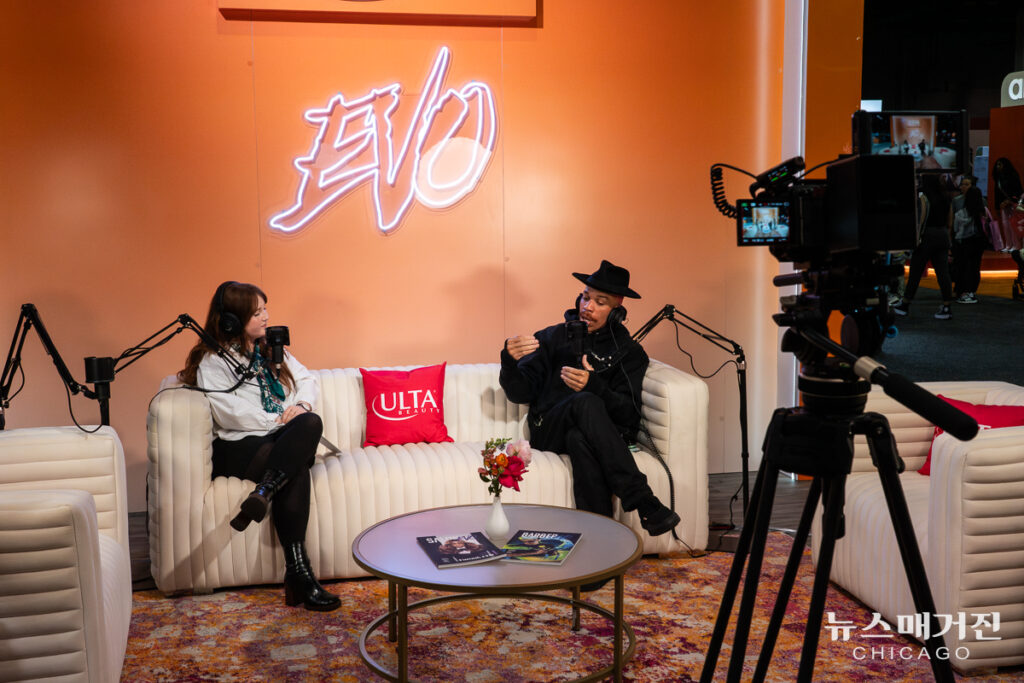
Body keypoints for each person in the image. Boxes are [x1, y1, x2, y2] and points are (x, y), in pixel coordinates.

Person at [178, 281, 340, 611]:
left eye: (265, 309)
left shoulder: (271, 348)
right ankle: (300, 576)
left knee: (310, 423)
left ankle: (265, 491)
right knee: (296, 460)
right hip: (238, 447)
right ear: (232, 321)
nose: (266, 317)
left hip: (277, 442)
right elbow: (229, 412)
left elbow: (307, 379)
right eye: (257, 313)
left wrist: (302, 406)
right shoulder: (213, 360)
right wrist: (281, 419)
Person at [499, 260, 681, 546]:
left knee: (579, 437)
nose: (588, 307)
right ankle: (643, 500)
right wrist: (509, 361)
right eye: (586, 297)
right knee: (583, 401)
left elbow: (628, 415)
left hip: (593, 435)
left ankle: (599, 545)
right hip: (548, 429)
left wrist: (595, 385)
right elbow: (519, 393)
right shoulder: (551, 337)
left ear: (617, 310)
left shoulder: (629, 353)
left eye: (600, 302)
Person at [894, 175, 954, 320]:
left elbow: (920, 220)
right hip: (943, 235)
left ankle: (905, 304)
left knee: (915, 272)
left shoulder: (924, 197)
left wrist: (914, 240)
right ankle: (947, 306)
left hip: (927, 236)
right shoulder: (946, 197)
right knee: (943, 273)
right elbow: (950, 222)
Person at [950, 179, 986, 304]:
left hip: (964, 241)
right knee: (974, 266)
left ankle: (963, 291)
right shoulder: (982, 207)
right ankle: (970, 291)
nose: (963, 187)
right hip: (979, 240)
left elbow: (954, 226)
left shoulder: (962, 212)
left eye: (966, 184)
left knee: (963, 266)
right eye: (962, 184)